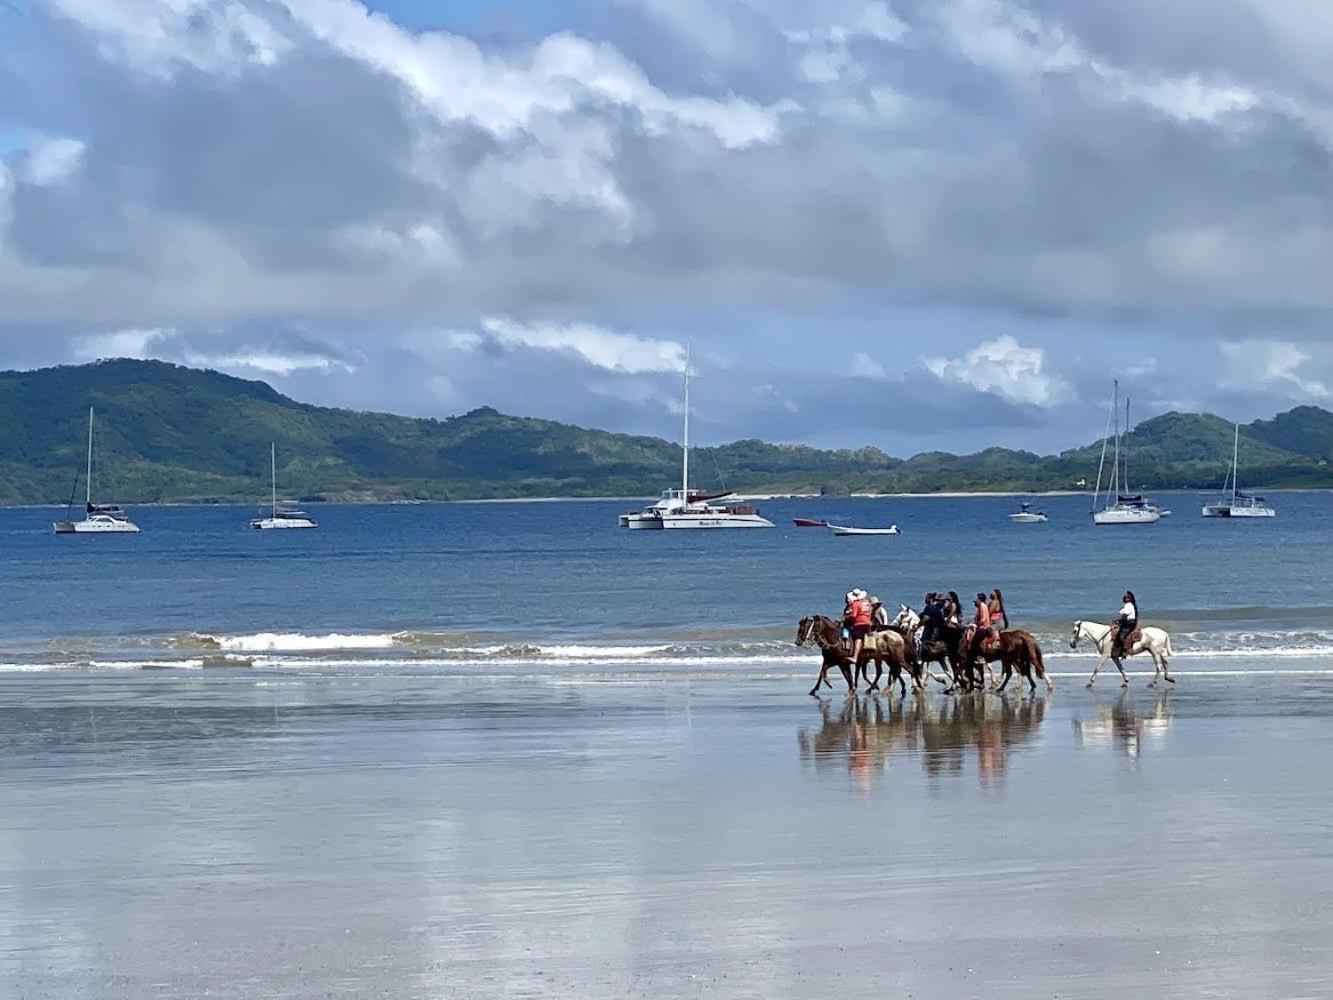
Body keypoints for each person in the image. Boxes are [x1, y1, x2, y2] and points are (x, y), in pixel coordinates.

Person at [843, 587, 873, 670]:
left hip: (859, 623)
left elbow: (854, 615)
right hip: (867, 623)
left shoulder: (856, 604)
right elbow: (870, 613)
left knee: (857, 639)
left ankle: (855, 657)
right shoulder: (867, 603)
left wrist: (847, 617)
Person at [1111, 590, 1138, 658]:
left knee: (1120, 636)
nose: (1125, 598)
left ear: (1130, 598)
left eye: (1127, 597)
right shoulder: (1128, 605)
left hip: (1129, 623)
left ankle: (1125, 650)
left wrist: (1119, 620)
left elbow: (1124, 616)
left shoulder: (1128, 605)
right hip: (1128, 622)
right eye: (1125, 597)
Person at [967, 592, 992, 660]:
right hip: (983, 626)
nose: (976, 600)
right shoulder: (983, 605)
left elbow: (983, 618)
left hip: (983, 628)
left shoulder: (982, 605)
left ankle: (980, 656)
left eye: (977, 599)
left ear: (980, 599)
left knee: (974, 641)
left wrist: (977, 624)